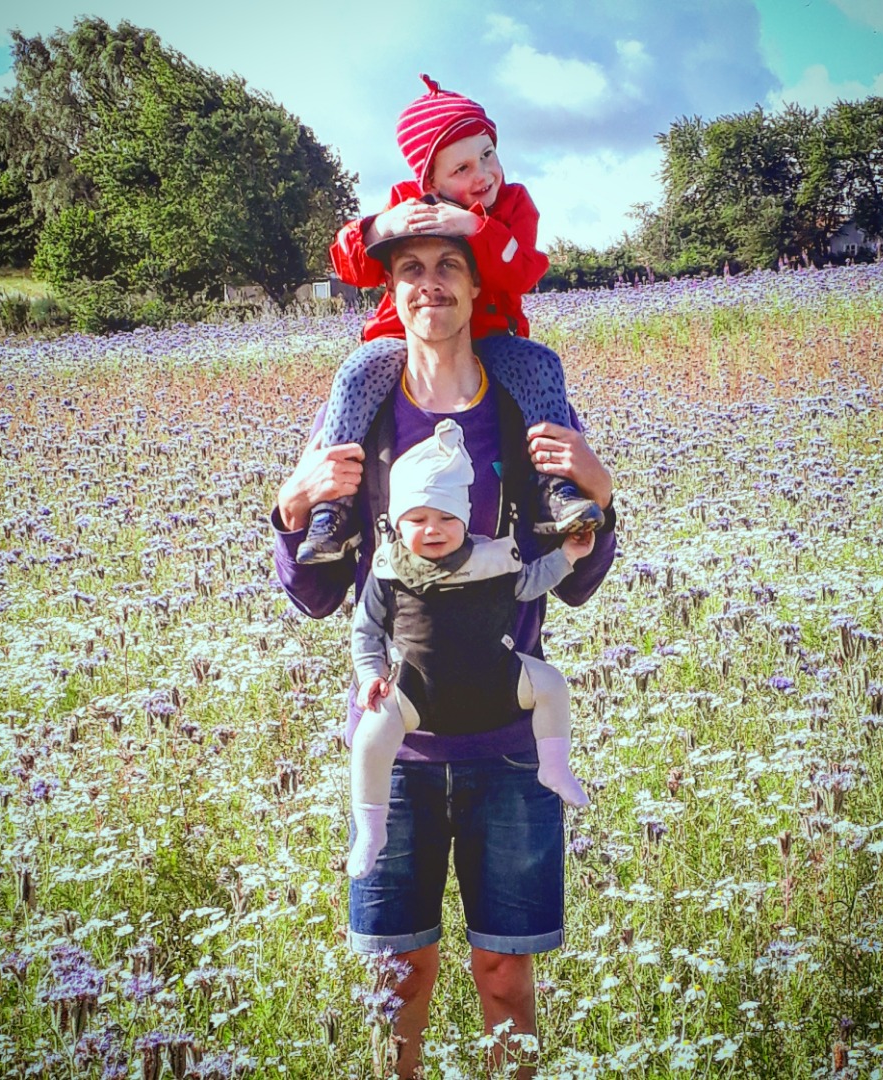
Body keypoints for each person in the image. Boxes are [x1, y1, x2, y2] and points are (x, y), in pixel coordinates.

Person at [273, 226, 615, 1078]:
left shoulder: (524, 400)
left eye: (449, 267)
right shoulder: (363, 407)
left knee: (505, 974)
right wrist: (291, 511)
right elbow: (316, 593)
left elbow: (575, 580)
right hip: (401, 749)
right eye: (411, 270)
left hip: (509, 747)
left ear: (476, 286)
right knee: (399, 977)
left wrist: (602, 496)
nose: (430, 284)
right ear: (390, 293)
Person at [296, 73, 603, 566]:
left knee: (541, 363)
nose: (483, 175)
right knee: (355, 373)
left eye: (488, 154)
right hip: (398, 341)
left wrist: (476, 227)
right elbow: (350, 263)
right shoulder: (408, 204)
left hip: (494, 338)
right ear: (431, 182)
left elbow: (523, 269)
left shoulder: (512, 206)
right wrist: (379, 227)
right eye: (461, 167)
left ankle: (555, 489)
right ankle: (332, 511)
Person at [348, 416, 593, 880]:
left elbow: (531, 583)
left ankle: (554, 767)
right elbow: (366, 629)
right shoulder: (388, 570)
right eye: (417, 519)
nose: (433, 529)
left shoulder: (491, 558)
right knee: (370, 737)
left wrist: (568, 556)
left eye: (446, 518)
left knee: (552, 685)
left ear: (464, 518)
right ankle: (372, 829)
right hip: (417, 691)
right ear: (397, 524)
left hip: (497, 679)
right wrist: (370, 676)